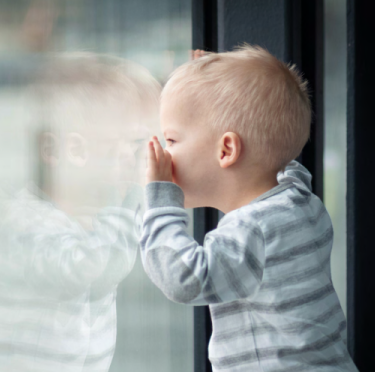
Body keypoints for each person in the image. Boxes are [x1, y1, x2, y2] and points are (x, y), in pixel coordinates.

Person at [140, 44, 358, 371]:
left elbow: (184, 279)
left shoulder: (251, 231)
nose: (166, 153)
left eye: (171, 140)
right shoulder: (299, 200)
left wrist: (160, 199)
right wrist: (210, 77)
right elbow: (280, 155)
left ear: (226, 149)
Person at [0, 53, 160, 372]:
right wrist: (136, 195)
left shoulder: (94, 218)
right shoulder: (23, 222)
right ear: (68, 151)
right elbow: (92, 269)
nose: (145, 159)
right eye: (136, 145)